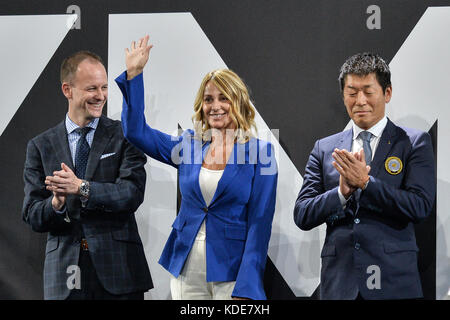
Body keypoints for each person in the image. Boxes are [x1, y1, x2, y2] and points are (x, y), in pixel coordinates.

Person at [115, 35, 278, 300]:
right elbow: (136, 132)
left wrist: (247, 286)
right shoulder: (187, 145)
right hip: (185, 268)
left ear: (238, 102)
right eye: (208, 99)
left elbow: (260, 224)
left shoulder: (262, 153)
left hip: (232, 273)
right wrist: (134, 75)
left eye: (223, 98)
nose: (215, 106)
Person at [293, 52, 436, 300]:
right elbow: (303, 214)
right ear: (343, 95)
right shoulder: (325, 148)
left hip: (394, 284)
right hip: (340, 285)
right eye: (352, 92)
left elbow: (419, 206)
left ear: (387, 93)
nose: (360, 101)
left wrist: (366, 183)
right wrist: (340, 193)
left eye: (368, 91)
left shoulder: (413, 143)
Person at [22, 51, 152, 300]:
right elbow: (32, 214)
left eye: (104, 87)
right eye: (92, 88)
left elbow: (131, 194)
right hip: (64, 277)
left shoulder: (125, 135)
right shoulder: (40, 146)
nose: (101, 96)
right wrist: (56, 204)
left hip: (119, 270)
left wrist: (81, 187)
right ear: (67, 90)